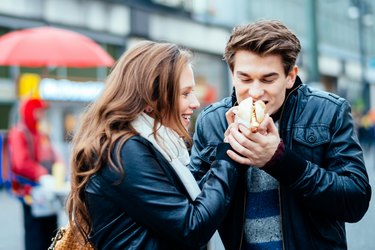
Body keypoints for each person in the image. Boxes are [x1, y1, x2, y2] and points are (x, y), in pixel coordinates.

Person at [189, 20, 372, 249]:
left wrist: (280, 160)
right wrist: (230, 155)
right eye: (245, 79)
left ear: (290, 76)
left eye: (268, 79)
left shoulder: (329, 111)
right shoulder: (212, 120)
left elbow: (355, 201)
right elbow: (192, 209)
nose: (255, 92)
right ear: (232, 74)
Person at [66, 40, 247, 249]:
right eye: (185, 93)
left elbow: (179, 205)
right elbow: (192, 226)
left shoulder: (145, 144)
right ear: (151, 99)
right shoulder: (123, 151)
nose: (195, 103)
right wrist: (228, 155)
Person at [8, 98, 59, 250]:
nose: (42, 114)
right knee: (35, 235)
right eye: (39, 111)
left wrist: (59, 166)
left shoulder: (41, 133)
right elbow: (20, 162)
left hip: (47, 192)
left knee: (52, 233)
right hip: (30, 192)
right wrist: (42, 174)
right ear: (31, 112)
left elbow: (53, 154)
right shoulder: (19, 133)